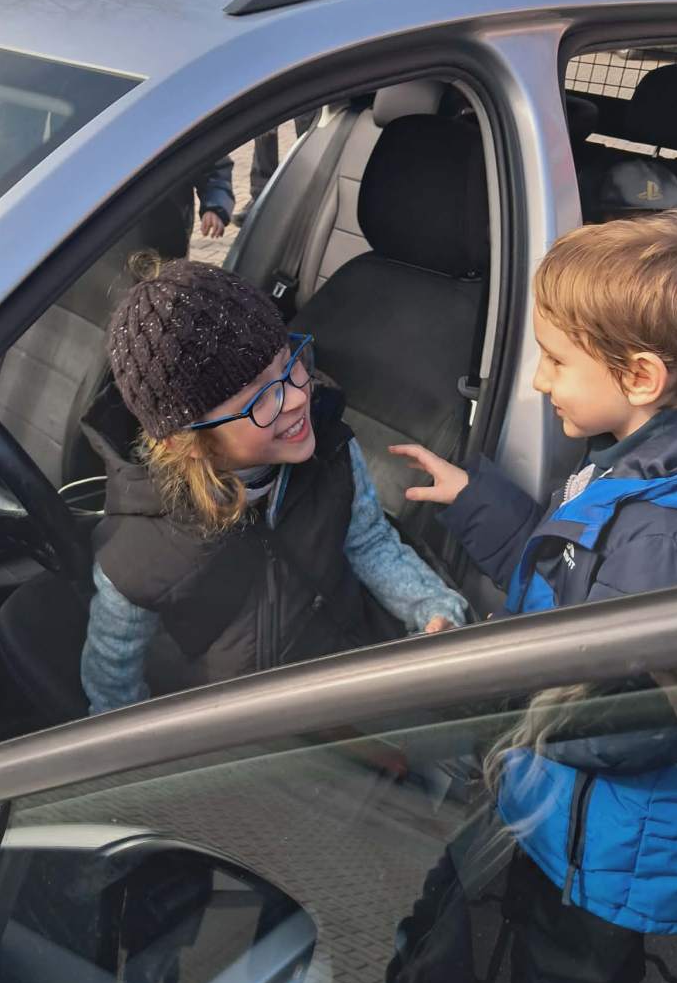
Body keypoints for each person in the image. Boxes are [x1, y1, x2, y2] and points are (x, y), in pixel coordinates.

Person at [391, 210, 677, 983]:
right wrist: (476, 501)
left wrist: (495, 685)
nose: (538, 379)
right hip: (599, 815)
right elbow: (577, 574)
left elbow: (638, 725)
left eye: (556, 360)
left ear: (641, 374)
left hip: (623, 843)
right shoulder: (659, 454)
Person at [80, 255, 468, 715]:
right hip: (249, 720)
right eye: (260, 398)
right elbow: (112, 675)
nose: (298, 397)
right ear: (188, 441)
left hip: (347, 663)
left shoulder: (330, 448)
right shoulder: (139, 550)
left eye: (289, 365)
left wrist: (431, 605)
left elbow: (367, 539)